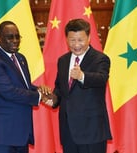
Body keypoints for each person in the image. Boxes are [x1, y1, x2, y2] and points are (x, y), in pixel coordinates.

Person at [0, 21, 50, 153]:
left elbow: (23, 85)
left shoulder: (20, 58)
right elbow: (8, 91)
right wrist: (39, 96)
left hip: (19, 133)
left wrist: (38, 89)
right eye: (10, 37)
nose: (15, 40)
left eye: (17, 36)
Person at [46, 18, 112, 153]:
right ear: (66, 39)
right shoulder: (63, 60)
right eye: (72, 40)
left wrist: (82, 76)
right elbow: (60, 88)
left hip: (91, 131)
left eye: (80, 40)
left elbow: (101, 78)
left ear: (89, 38)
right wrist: (52, 99)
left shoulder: (100, 59)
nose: (76, 45)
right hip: (68, 131)